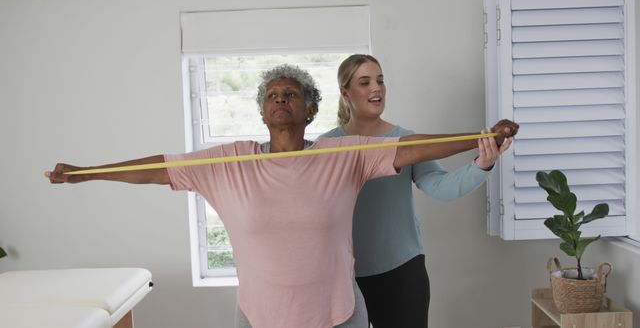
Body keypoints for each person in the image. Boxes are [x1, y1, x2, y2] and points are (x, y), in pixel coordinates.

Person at [45, 64, 518, 328]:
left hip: (340, 313)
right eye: (271, 94)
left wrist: (483, 137)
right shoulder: (228, 162)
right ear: (262, 111)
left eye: (291, 93)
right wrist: (88, 173)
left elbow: (413, 149)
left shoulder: (341, 155)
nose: (280, 98)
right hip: (260, 317)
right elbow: (156, 169)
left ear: (311, 109)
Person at [320, 54, 512, 328]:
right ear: (344, 92)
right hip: (342, 276)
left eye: (380, 81)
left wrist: (483, 163)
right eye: (365, 82)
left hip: (402, 271)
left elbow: (441, 188)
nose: (377, 88)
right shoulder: (326, 145)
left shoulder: (406, 140)